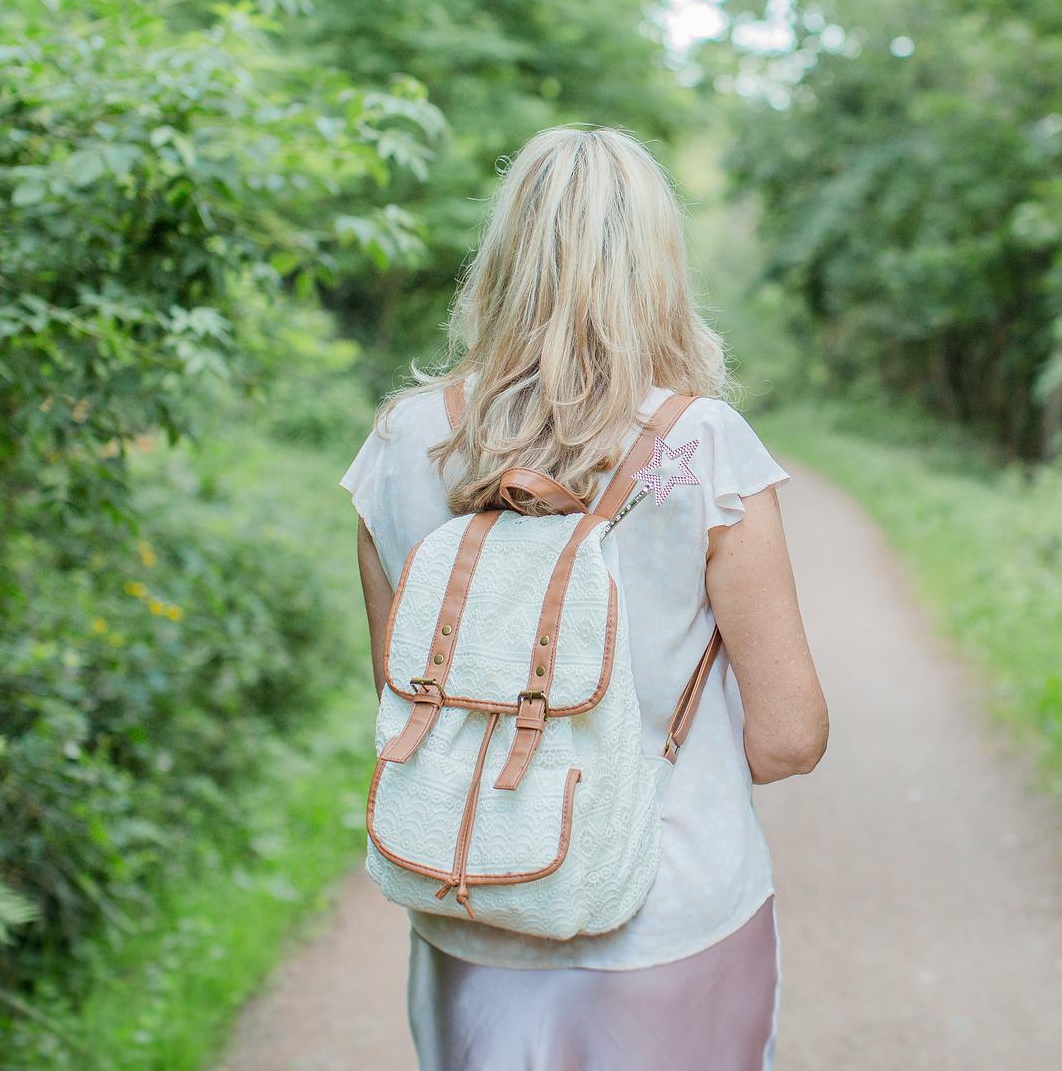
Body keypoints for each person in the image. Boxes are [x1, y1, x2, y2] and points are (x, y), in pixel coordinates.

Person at [341, 126, 828, 1070]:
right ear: (656, 265)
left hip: (472, 898)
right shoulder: (703, 447)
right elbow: (789, 736)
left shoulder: (402, 441)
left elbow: (410, 705)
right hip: (671, 906)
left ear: (504, 257)